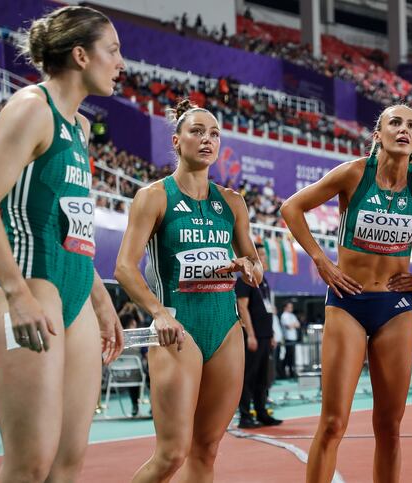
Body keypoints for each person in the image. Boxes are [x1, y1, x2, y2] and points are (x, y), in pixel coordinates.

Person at [281, 104, 412, 482]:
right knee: (334, 422)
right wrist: (321, 261)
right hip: (347, 302)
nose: (403, 129)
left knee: (389, 426)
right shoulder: (355, 173)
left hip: (395, 306)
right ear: (378, 135)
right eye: (395, 123)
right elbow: (292, 208)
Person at [0, 6, 125, 481]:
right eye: (113, 51)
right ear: (80, 55)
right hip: (29, 285)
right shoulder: (30, 108)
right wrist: (16, 295)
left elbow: (74, 226)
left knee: (65, 463)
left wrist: (101, 300)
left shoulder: (79, 129)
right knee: (29, 464)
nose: (122, 63)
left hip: (74, 291)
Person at [115, 99, 263, 482]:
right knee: (171, 455)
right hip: (177, 328)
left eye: (214, 133)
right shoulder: (154, 196)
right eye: (197, 131)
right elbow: (124, 268)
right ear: (177, 141)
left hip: (225, 328)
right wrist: (158, 313)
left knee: (207, 451)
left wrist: (249, 266)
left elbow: (254, 266)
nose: (207, 139)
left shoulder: (233, 202)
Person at [235, 242, 281, 428]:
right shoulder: (244, 281)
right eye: (260, 255)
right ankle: (245, 416)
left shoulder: (264, 281)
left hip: (265, 334)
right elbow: (243, 307)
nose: (263, 259)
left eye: (263, 255)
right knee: (249, 376)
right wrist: (251, 335)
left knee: (263, 377)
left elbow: (267, 309)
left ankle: (261, 412)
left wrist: (271, 334)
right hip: (253, 336)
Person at [279, 300, 300, 378]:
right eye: (289, 307)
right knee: (288, 356)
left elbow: (298, 325)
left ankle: (291, 372)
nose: (291, 308)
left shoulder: (292, 315)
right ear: (285, 307)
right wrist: (294, 324)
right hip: (288, 339)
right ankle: (283, 372)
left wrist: (293, 325)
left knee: (291, 357)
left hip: (293, 338)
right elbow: (289, 326)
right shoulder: (284, 316)